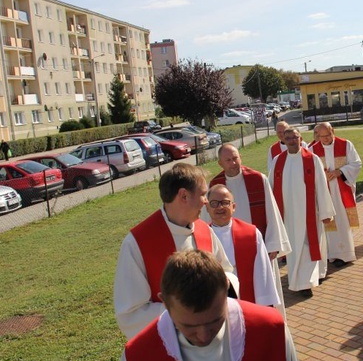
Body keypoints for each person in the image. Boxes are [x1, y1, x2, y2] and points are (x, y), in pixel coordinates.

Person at [118, 250, 317, 361]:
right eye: (190, 326)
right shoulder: (139, 357)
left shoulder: (269, 330)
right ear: (165, 303)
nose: (204, 336)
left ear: (226, 289)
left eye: (215, 321)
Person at [114, 163, 236, 339]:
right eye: (202, 194)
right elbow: (131, 313)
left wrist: (225, 284)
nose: (206, 201)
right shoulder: (138, 243)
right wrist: (188, 312)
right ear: (184, 195)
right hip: (170, 343)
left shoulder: (204, 230)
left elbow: (227, 271)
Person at [204, 143, 291, 317]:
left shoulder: (258, 179)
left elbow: (272, 211)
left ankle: (272, 320)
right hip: (225, 248)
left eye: (235, 158)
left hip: (257, 246)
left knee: (264, 288)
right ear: (220, 163)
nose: (233, 163)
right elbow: (207, 218)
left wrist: (273, 243)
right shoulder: (215, 185)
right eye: (228, 160)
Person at [270, 127, 335, 297]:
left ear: (301, 138)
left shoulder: (311, 159)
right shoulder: (277, 161)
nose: (292, 140)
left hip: (309, 213)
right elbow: (270, 188)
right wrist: (272, 215)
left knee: (309, 247)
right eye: (288, 137)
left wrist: (326, 211)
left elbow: (321, 186)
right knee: (294, 249)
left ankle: (306, 282)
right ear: (283, 139)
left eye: (295, 137)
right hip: (288, 215)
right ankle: (299, 279)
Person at [206, 185, 281, 307]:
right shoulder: (201, 236)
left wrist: (265, 305)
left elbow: (262, 273)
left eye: (225, 203)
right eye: (214, 203)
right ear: (207, 207)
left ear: (233, 207)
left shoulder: (251, 234)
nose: (220, 207)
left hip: (246, 302)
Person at [310, 122, 362, 267]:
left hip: (341, 190)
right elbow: (307, 172)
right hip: (324, 192)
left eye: (328, 135)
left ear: (333, 131)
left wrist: (340, 172)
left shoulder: (346, 145)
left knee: (342, 220)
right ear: (317, 136)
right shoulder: (312, 149)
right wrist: (321, 175)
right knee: (328, 221)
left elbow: (357, 163)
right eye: (322, 137)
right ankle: (330, 254)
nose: (326, 139)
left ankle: (345, 254)